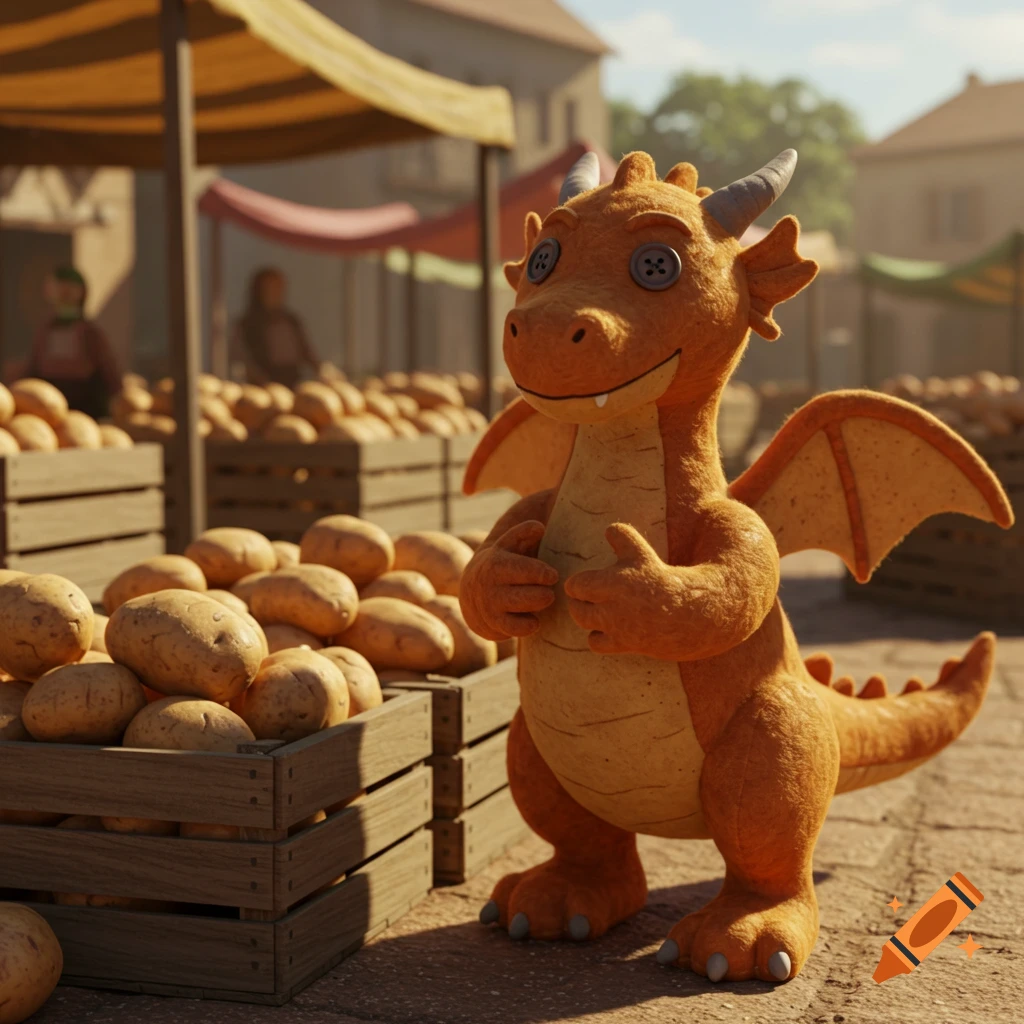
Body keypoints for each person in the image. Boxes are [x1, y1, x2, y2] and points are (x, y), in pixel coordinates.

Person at [22, 265, 121, 419]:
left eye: (69, 289)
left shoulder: (89, 332)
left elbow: (107, 366)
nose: (64, 294)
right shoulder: (46, 331)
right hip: (49, 398)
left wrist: (116, 397)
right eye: (59, 288)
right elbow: (34, 363)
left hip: (84, 401)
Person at [230, 267, 320, 388]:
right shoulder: (246, 324)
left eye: (279, 288)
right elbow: (241, 359)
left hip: (293, 382)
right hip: (262, 387)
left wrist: (321, 369)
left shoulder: (291, 321)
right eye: (270, 288)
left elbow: (307, 353)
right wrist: (263, 381)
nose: (276, 293)